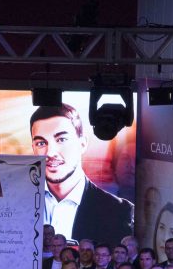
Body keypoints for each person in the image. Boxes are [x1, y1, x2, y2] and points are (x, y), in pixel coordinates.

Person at [29, 104, 134, 243]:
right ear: (33, 148)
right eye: (41, 143)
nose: (50, 153)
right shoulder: (18, 203)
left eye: (61, 140)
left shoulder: (119, 212)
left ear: (83, 144)